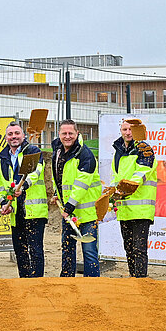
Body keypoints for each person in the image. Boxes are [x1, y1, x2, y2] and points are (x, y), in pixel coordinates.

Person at [51, 119, 102, 277]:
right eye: (64, 133)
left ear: (77, 134)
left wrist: (69, 207)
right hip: (69, 211)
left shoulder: (85, 155)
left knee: (89, 250)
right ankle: (67, 281)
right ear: (59, 134)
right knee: (67, 248)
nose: (67, 136)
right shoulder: (58, 152)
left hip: (86, 213)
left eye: (70, 133)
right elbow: (59, 178)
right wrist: (55, 193)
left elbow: (81, 184)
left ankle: (92, 282)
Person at [0, 122, 47, 278]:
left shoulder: (33, 152)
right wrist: (4, 203)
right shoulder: (3, 158)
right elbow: (1, 185)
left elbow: (36, 172)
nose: (14, 136)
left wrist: (23, 186)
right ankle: (24, 281)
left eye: (17, 133)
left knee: (35, 250)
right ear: (6, 138)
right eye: (10, 134)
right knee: (20, 250)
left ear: (23, 136)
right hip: (16, 211)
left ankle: (37, 282)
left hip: (33, 211)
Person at [110, 119, 157, 278]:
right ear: (121, 131)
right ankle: (133, 279)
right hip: (124, 209)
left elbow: (141, 174)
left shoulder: (145, 150)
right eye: (124, 129)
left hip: (141, 209)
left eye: (130, 129)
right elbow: (115, 177)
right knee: (129, 248)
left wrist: (122, 189)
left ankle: (141, 281)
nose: (127, 133)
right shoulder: (118, 152)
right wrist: (112, 193)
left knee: (139, 248)